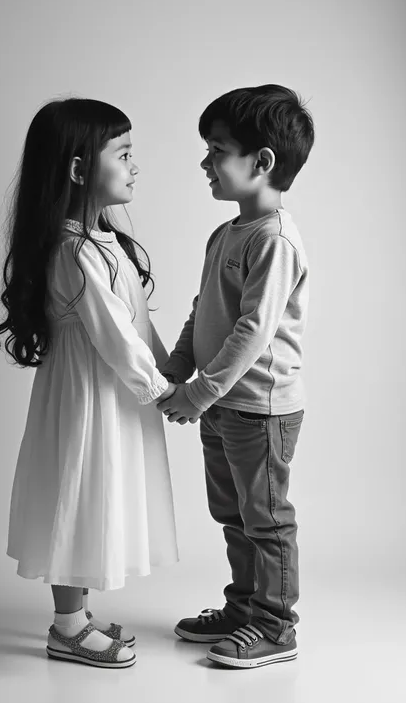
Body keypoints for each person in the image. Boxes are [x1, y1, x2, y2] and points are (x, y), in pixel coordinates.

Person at [0, 98, 179, 669]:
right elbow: (116, 338)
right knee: (78, 494)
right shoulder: (74, 251)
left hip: (108, 394)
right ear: (78, 169)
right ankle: (67, 627)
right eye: (122, 154)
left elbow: (137, 325)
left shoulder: (101, 243)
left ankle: (76, 616)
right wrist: (165, 389)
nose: (134, 166)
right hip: (87, 400)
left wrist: (170, 369)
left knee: (96, 496)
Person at [157, 84, 315, 669]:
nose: (205, 162)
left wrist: (197, 392)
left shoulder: (275, 240)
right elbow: (203, 310)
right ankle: (246, 607)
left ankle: (277, 627)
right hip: (224, 405)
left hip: (261, 408)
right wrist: (177, 366)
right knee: (233, 514)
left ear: (262, 162)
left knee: (267, 519)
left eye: (216, 149)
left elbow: (252, 330)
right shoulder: (225, 234)